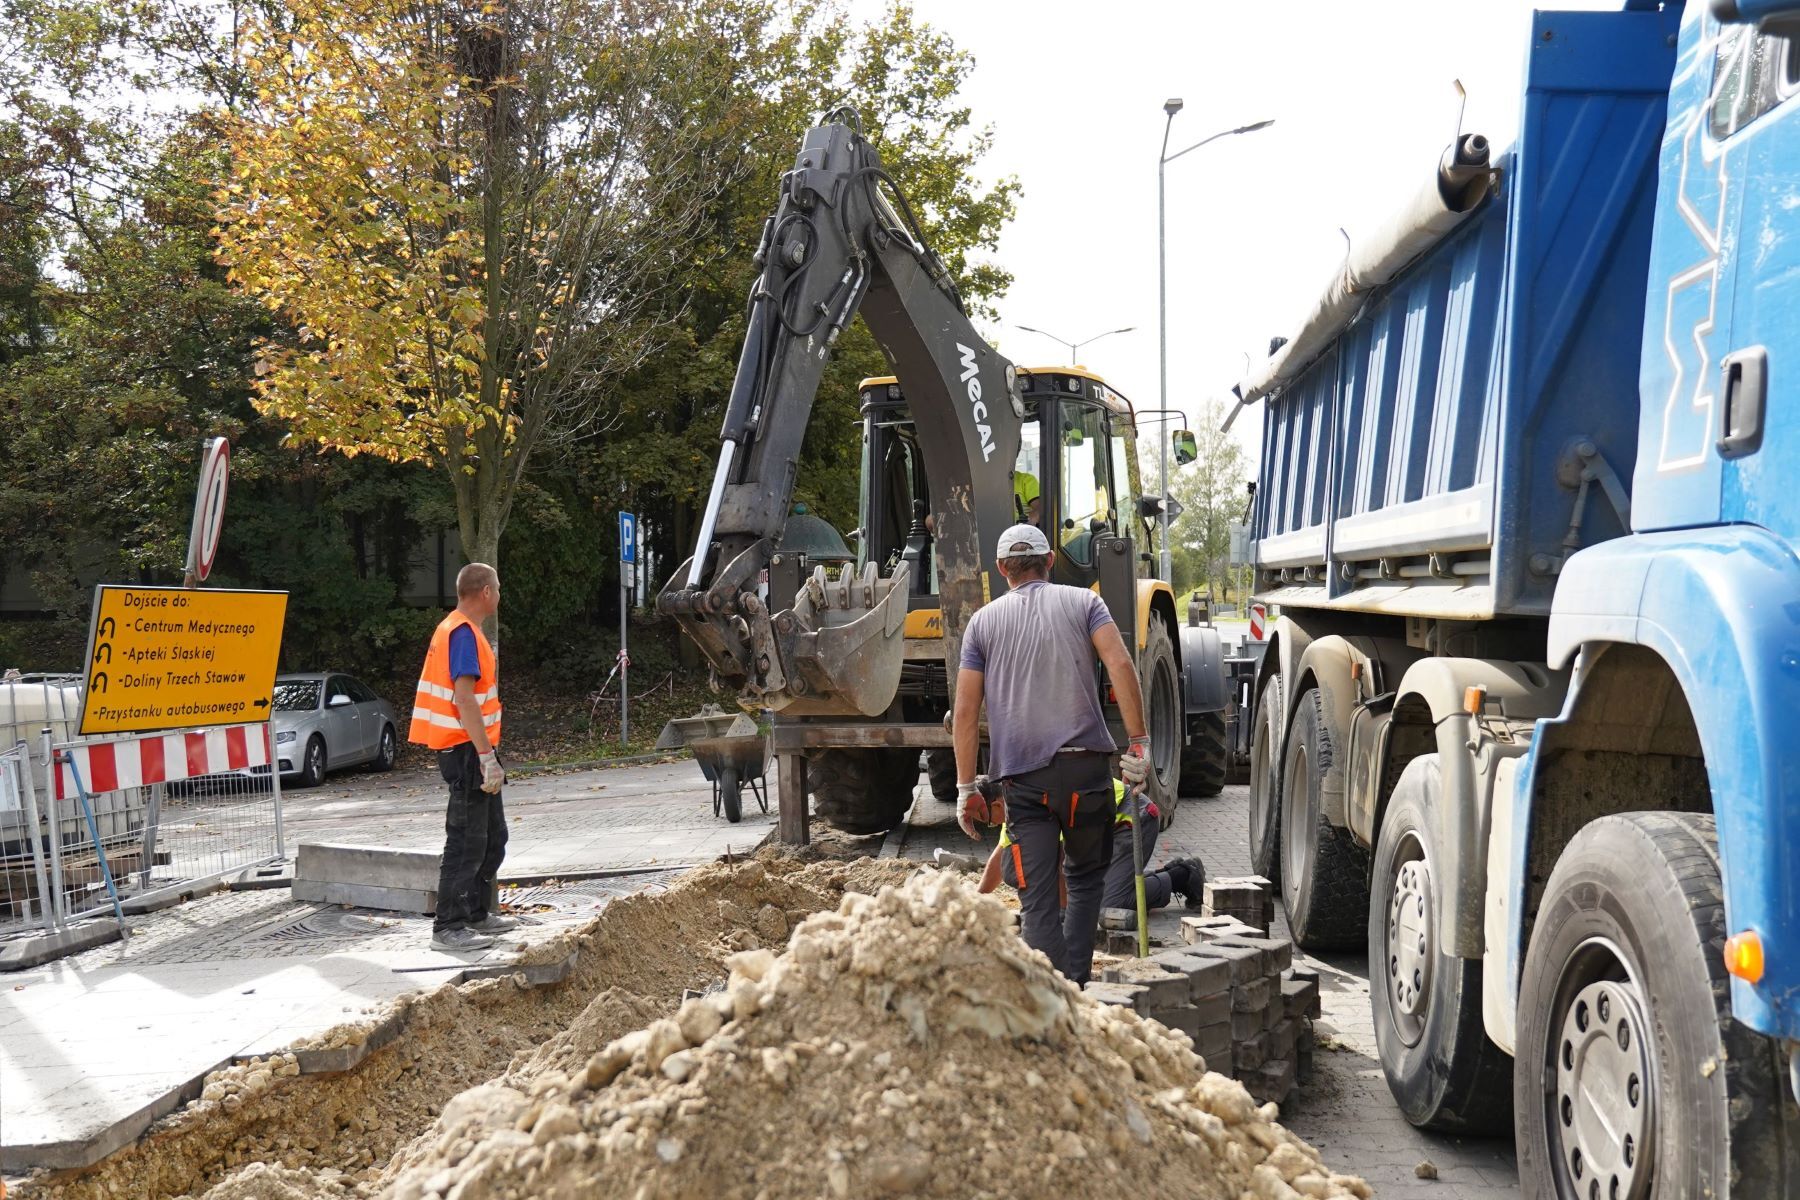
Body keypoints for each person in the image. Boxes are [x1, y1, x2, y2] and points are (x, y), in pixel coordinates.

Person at [952, 523, 1152, 985]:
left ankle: (1050, 1002)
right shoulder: (1086, 603)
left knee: (1038, 898)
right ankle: (1077, 986)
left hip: (1025, 784)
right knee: (1084, 882)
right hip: (1086, 775)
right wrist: (1138, 742)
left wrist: (966, 788)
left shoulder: (982, 623)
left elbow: (964, 713)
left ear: (1002, 569)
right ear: (1048, 561)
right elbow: (1120, 664)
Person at [409, 563, 517, 952]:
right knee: (467, 840)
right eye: (498, 587)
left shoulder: (460, 630)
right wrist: (487, 757)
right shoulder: (462, 634)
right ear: (486, 592)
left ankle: (474, 912)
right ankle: (448, 926)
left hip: (474, 747)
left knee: (494, 836)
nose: (500, 594)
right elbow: (464, 698)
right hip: (467, 750)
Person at [975, 780, 1205, 929]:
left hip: (1131, 819)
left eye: (987, 821)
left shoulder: (1035, 804)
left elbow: (1060, 864)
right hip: (1103, 829)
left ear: (996, 804)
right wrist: (976, 899)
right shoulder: (1016, 806)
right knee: (1091, 894)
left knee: (1110, 903)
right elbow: (1001, 856)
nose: (992, 826)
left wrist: (1064, 916)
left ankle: (1182, 876)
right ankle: (1130, 880)